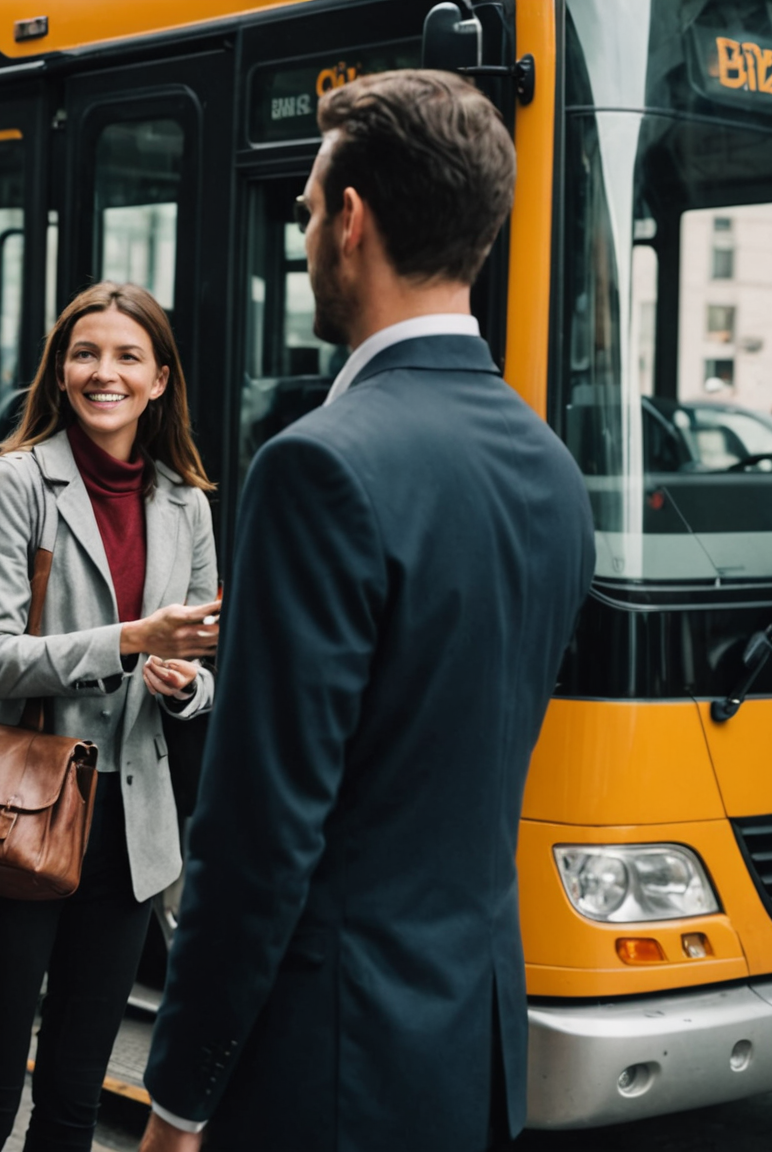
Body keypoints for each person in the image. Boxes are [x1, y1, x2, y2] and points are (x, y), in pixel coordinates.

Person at [140, 71, 595, 1151]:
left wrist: (179, 1097)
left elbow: (261, 832)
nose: (301, 232)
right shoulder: (551, 469)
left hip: (328, 1063)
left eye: (305, 208)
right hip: (469, 1058)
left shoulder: (320, 469)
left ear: (352, 221)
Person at [0, 282, 222, 1152]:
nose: (103, 372)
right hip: (21, 814)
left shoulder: (189, 502)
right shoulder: (14, 483)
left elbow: (205, 665)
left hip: (131, 830)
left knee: (74, 1095)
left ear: (159, 380)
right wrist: (130, 640)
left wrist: (185, 684)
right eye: (85, 354)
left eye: (127, 357)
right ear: (61, 371)